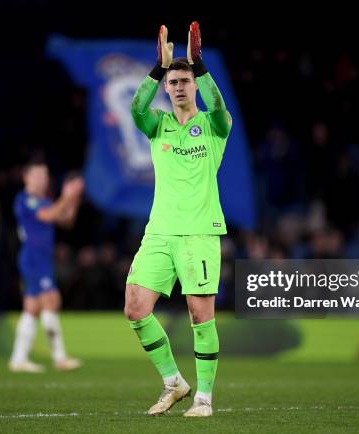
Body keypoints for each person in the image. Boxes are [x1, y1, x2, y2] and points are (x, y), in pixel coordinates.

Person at [125, 21, 232, 417]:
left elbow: (220, 107)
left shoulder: (214, 127)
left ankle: (204, 397)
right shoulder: (158, 125)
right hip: (159, 232)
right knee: (135, 307)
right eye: (175, 81)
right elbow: (136, 107)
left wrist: (201, 67)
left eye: (187, 80)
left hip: (199, 232)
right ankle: (174, 383)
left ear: (195, 84)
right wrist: (158, 68)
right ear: (166, 89)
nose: (181, 86)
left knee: (199, 315)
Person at [8, 159, 83, 373]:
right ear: (26, 178)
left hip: (41, 258)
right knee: (52, 300)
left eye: (45, 175)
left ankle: (18, 359)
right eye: (38, 175)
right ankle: (59, 358)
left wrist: (74, 198)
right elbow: (49, 216)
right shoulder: (25, 200)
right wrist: (65, 197)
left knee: (32, 308)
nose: (43, 179)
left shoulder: (45, 200)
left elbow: (66, 221)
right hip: (33, 257)